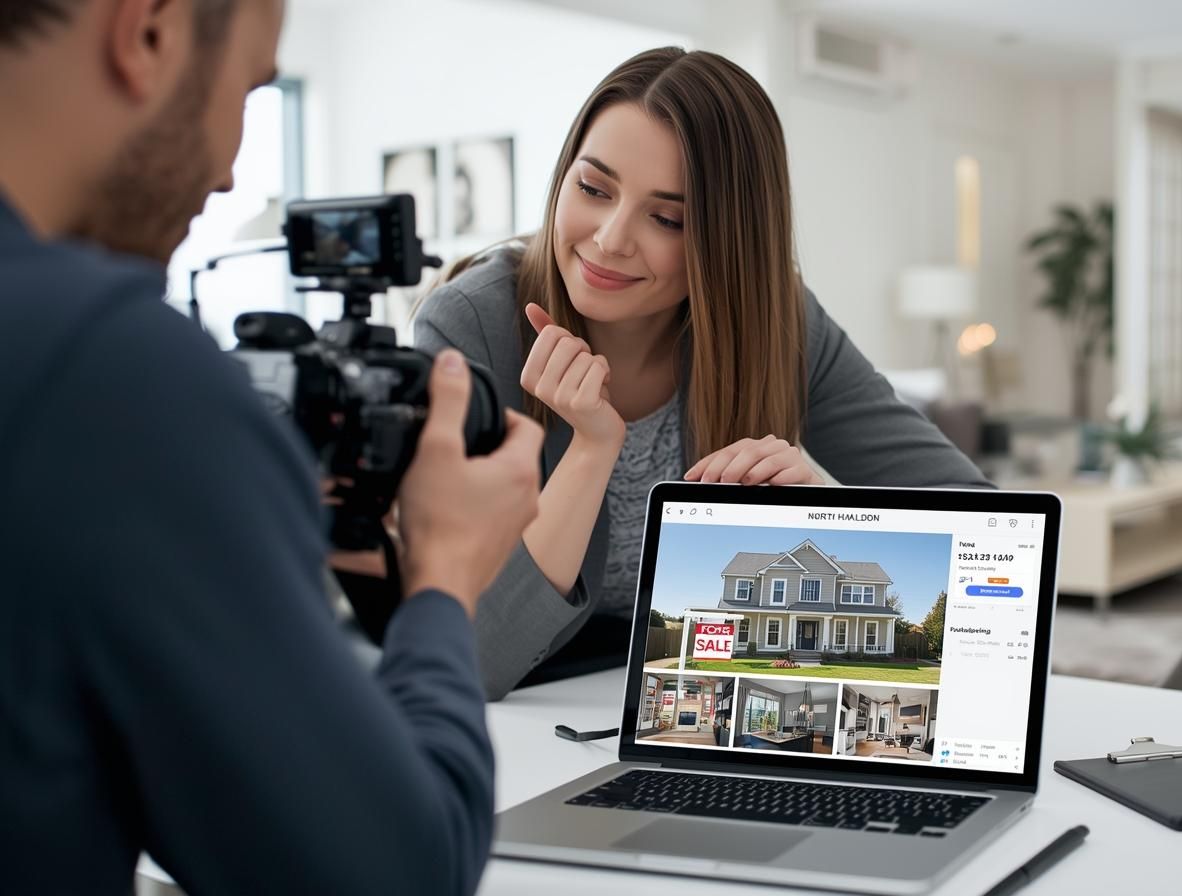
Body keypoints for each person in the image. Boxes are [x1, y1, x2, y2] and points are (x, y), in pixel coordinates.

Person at [0, 1, 544, 893]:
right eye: (251, 91)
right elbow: (394, 869)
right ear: (150, 31)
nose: (223, 175)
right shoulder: (109, 374)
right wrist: (443, 571)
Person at [415, 47, 989, 700]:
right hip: (526, 711)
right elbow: (472, 658)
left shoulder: (777, 319)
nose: (608, 237)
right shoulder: (471, 325)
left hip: (701, 701)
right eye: (593, 188)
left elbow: (993, 542)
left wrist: (823, 520)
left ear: (727, 241)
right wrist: (592, 449)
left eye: (667, 218)